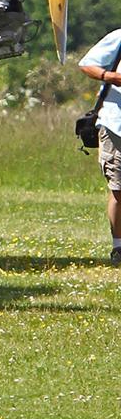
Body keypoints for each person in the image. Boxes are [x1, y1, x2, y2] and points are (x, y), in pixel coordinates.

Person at [76, 28, 121, 263]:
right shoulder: (119, 37)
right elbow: (87, 64)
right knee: (118, 188)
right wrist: (111, 77)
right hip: (116, 125)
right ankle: (119, 247)